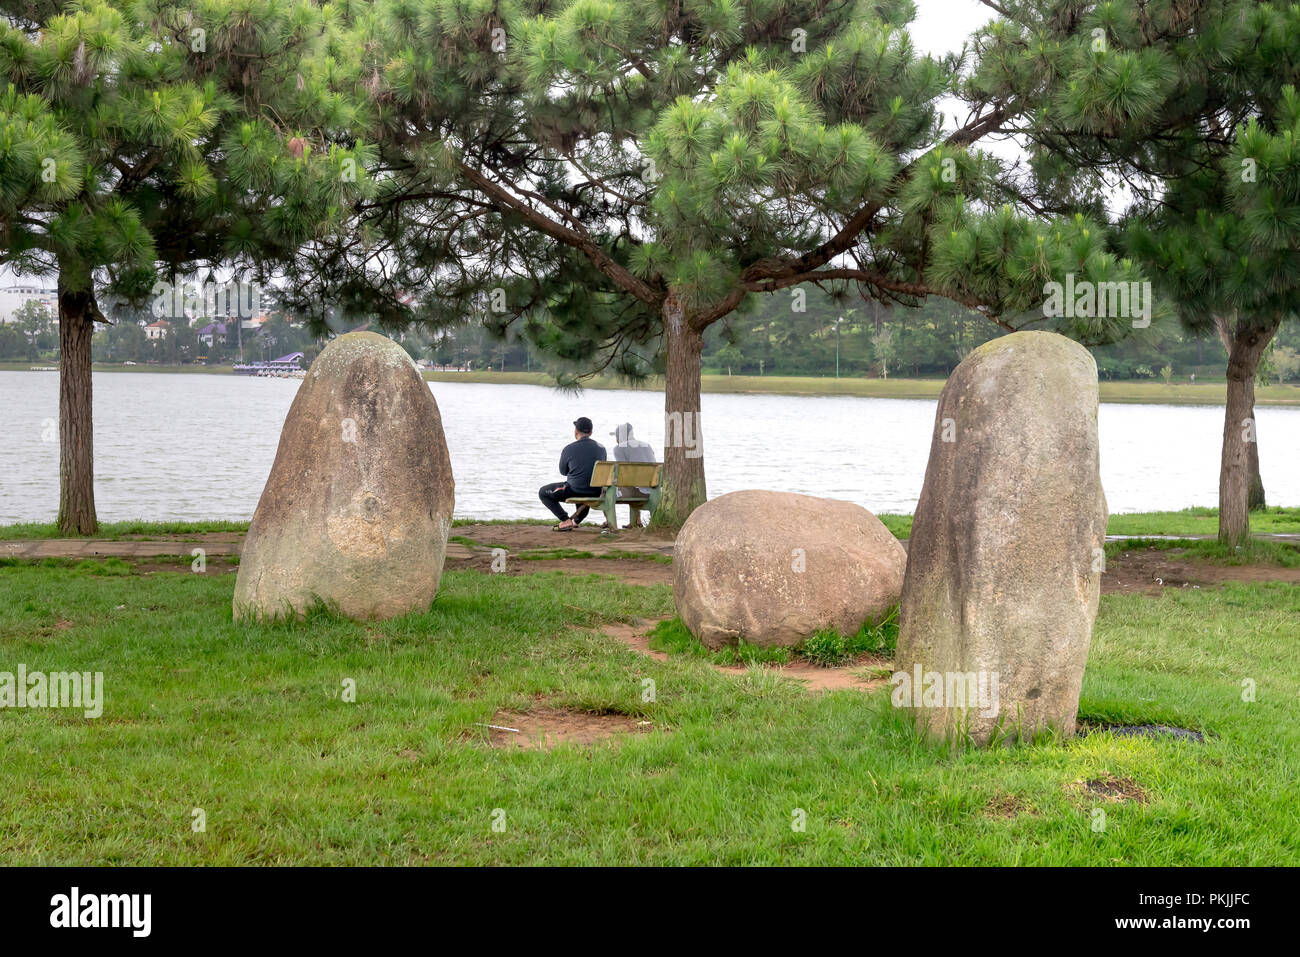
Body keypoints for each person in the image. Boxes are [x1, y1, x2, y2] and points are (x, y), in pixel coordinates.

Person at [539, 417, 607, 531]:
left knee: (543, 492)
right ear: (591, 432)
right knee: (584, 486)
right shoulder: (601, 448)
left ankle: (565, 520)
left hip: (575, 490)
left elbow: (563, 471)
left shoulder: (569, 448)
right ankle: (575, 521)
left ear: (576, 432)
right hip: (595, 491)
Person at [609, 422, 657, 528]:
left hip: (637, 493)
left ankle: (609, 522)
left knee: (606, 489)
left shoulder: (619, 448)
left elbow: (623, 474)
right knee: (635, 482)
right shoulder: (647, 445)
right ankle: (636, 521)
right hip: (654, 491)